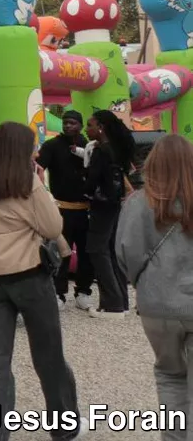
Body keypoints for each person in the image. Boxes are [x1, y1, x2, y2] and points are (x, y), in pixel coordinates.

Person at [0, 121, 80, 441]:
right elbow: (52, 226)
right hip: (29, 275)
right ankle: (63, 426)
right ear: (21, 149)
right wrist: (41, 188)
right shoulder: (28, 182)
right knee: (48, 356)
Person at [117, 134, 193, 430]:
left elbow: (126, 253)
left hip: (157, 304)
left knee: (170, 375)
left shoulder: (138, 203)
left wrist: (143, 283)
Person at [37, 109, 94, 310]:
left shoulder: (89, 146)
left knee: (87, 253)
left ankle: (84, 291)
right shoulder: (51, 146)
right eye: (65, 122)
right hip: (61, 209)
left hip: (86, 209)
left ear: (80, 125)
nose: (68, 126)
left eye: (72, 123)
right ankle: (59, 293)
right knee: (61, 252)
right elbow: (38, 169)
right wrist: (43, 195)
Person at [85, 108, 135, 317]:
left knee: (97, 249)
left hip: (101, 206)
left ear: (101, 127)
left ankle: (112, 304)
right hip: (115, 205)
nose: (87, 129)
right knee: (112, 251)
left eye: (90, 125)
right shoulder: (116, 149)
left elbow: (91, 182)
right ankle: (122, 301)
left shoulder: (101, 152)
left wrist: (84, 187)